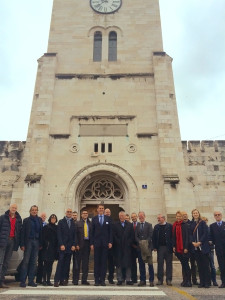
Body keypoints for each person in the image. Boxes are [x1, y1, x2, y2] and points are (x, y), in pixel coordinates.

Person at [20, 205, 43, 288]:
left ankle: (31, 281)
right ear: (30, 211)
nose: (34, 211)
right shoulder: (26, 220)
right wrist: (22, 244)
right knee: (26, 262)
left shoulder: (39, 220)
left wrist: (41, 244)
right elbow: (23, 233)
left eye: (36, 210)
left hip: (36, 242)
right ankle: (22, 281)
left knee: (33, 262)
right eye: (33, 210)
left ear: (37, 211)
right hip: (28, 242)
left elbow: (41, 233)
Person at [0, 203, 22, 288]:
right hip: (3, 241)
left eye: (15, 208)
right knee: (0, 262)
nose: (14, 209)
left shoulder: (18, 219)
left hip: (12, 241)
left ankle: (1, 281)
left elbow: (19, 232)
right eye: (13, 207)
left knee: (6, 262)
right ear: (9, 208)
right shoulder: (3, 217)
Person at [91, 203, 112, 286]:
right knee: (96, 262)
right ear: (97, 209)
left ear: (104, 209)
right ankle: (96, 280)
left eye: (102, 208)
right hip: (96, 244)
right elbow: (92, 232)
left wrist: (110, 242)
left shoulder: (108, 219)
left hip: (105, 244)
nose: (101, 209)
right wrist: (91, 243)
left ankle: (102, 280)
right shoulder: (94, 219)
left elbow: (110, 232)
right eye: (100, 208)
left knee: (104, 262)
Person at [54, 208, 76, 287]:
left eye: (70, 212)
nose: (69, 213)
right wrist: (61, 244)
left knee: (67, 265)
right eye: (68, 212)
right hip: (62, 247)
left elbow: (74, 235)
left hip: (70, 247)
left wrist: (74, 245)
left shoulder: (73, 222)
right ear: (65, 213)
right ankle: (56, 280)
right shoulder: (61, 222)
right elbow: (59, 234)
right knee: (60, 264)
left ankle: (63, 280)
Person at [190, 209, 211, 288]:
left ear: (199, 214)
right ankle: (202, 282)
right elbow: (190, 234)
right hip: (195, 248)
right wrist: (193, 242)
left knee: (205, 265)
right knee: (199, 265)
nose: (195, 214)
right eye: (194, 213)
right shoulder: (191, 224)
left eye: (196, 213)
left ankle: (207, 282)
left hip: (203, 247)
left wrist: (200, 242)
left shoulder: (202, 223)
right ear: (192, 214)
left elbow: (205, 234)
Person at [113, 211, 134, 285]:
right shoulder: (115, 225)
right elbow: (114, 235)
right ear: (119, 217)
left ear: (125, 216)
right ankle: (120, 279)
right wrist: (118, 242)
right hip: (118, 247)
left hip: (127, 248)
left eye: (123, 215)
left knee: (128, 264)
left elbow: (132, 236)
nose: (121, 217)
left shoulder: (130, 225)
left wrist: (128, 243)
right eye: (120, 215)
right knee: (119, 264)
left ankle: (128, 279)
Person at [152, 214, 173, 286]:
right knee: (160, 264)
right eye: (158, 218)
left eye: (159, 218)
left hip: (168, 247)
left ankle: (169, 279)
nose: (158, 219)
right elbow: (154, 237)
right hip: (160, 248)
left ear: (163, 218)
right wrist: (154, 247)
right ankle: (160, 280)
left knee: (169, 264)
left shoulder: (169, 226)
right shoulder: (156, 227)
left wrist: (173, 246)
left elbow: (172, 236)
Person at [172, 211, 191, 287]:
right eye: (177, 216)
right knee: (183, 264)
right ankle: (184, 280)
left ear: (182, 217)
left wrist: (186, 247)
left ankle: (188, 281)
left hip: (184, 248)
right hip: (177, 248)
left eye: (180, 216)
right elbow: (173, 237)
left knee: (186, 264)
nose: (178, 217)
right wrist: (173, 246)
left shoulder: (185, 225)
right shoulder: (174, 225)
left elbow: (187, 237)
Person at [135, 211, 154, 287]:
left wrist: (145, 242)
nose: (141, 218)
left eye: (142, 216)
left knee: (150, 264)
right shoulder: (137, 226)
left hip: (148, 248)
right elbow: (135, 236)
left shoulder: (149, 225)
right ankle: (142, 280)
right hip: (140, 248)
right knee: (141, 265)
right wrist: (140, 242)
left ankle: (151, 280)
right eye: (139, 217)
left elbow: (150, 235)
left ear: (144, 216)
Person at [73, 209, 92, 285]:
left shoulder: (90, 224)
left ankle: (84, 280)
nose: (85, 214)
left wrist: (91, 244)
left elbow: (92, 235)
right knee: (77, 263)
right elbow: (75, 235)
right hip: (79, 245)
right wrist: (76, 244)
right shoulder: (77, 223)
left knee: (85, 263)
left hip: (87, 245)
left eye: (86, 213)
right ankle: (75, 280)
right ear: (81, 215)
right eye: (83, 213)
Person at [182, 211, 199, 285]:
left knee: (193, 264)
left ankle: (194, 279)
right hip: (184, 247)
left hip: (191, 247)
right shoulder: (181, 224)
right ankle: (185, 279)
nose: (185, 216)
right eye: (183, 215)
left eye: (186, 215)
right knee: (184, 264)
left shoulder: (191, 223)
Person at [210, 211, 225, 288]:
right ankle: (223, 282)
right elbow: (211, 238)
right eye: (216, 215)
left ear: (221, 215)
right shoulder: (212, 226)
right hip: (219, 249)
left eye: (219, 215)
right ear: (214, 216)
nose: (217, 216)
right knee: (222, 266)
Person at [42, 214, 58, 286]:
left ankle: (48, 280)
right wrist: (46, 244)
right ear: (50, 219)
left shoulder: (57, 228)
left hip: (53, 249)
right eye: (52, 218)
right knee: (45, 265)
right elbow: (43, 237)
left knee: (50, 265)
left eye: (54, 218)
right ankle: (44, 280)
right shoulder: (46, 227)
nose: (53, 219)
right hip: (47, 248)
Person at [202, 216, 218, 287]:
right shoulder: (201, 230)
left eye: (205, 220)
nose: (204, 222)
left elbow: (213, 238)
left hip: (210, 249)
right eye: (203, 221)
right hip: (203, 249)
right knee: (205, 266)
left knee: (212, 265)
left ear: (207, 221)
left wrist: (211, 242)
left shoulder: (210, 229)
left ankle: (214, 280)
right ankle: (206, 280)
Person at [36, 212, 47, 284]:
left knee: (44, 263)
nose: (43, 217)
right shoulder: (38, 224)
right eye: (42, 216)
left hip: (45, 247)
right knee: (39, 263)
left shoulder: (47, 225)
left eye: (44, 216)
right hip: (38, 246)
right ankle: (38, 279)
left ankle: (44, 279)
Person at [104, 208, 115, 284]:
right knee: (103, 263)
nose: (107, 213)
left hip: (111, 246)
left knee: (111, 263)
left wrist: (111, 242)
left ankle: (110, 278)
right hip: (103, 245)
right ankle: (102, 277)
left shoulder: (112, 221)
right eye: (106, 212)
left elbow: (113, 233)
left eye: (109, 212)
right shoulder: (101, 220)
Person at [130, 212, 138, 284]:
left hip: (140, 247)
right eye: (132, 217)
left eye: (134, 217)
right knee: (133, 264)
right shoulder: (129, 225)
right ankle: (134, 278)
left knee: (141, 263)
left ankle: (142, 279)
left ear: (137, 217)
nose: (133, 218)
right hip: (132, 247)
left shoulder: (140, 225)